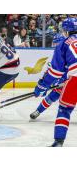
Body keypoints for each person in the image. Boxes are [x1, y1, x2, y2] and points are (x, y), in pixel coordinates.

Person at [34, 17, 77, 147]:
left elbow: (54, 73)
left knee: (64, 110)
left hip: (74, 78)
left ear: (66, 31)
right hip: (69, 79)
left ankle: (58, 142)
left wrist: (42, 86)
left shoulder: (64, 44)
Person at [30, 34, 66, 120]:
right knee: (51, 97)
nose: (55, 46)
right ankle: (38, 111)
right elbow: (52, 72)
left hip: (72, 82)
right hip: (64, 83)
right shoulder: (59, 54)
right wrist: (45, 86)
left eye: (57, 43)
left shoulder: (67, 53)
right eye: (54, 44)